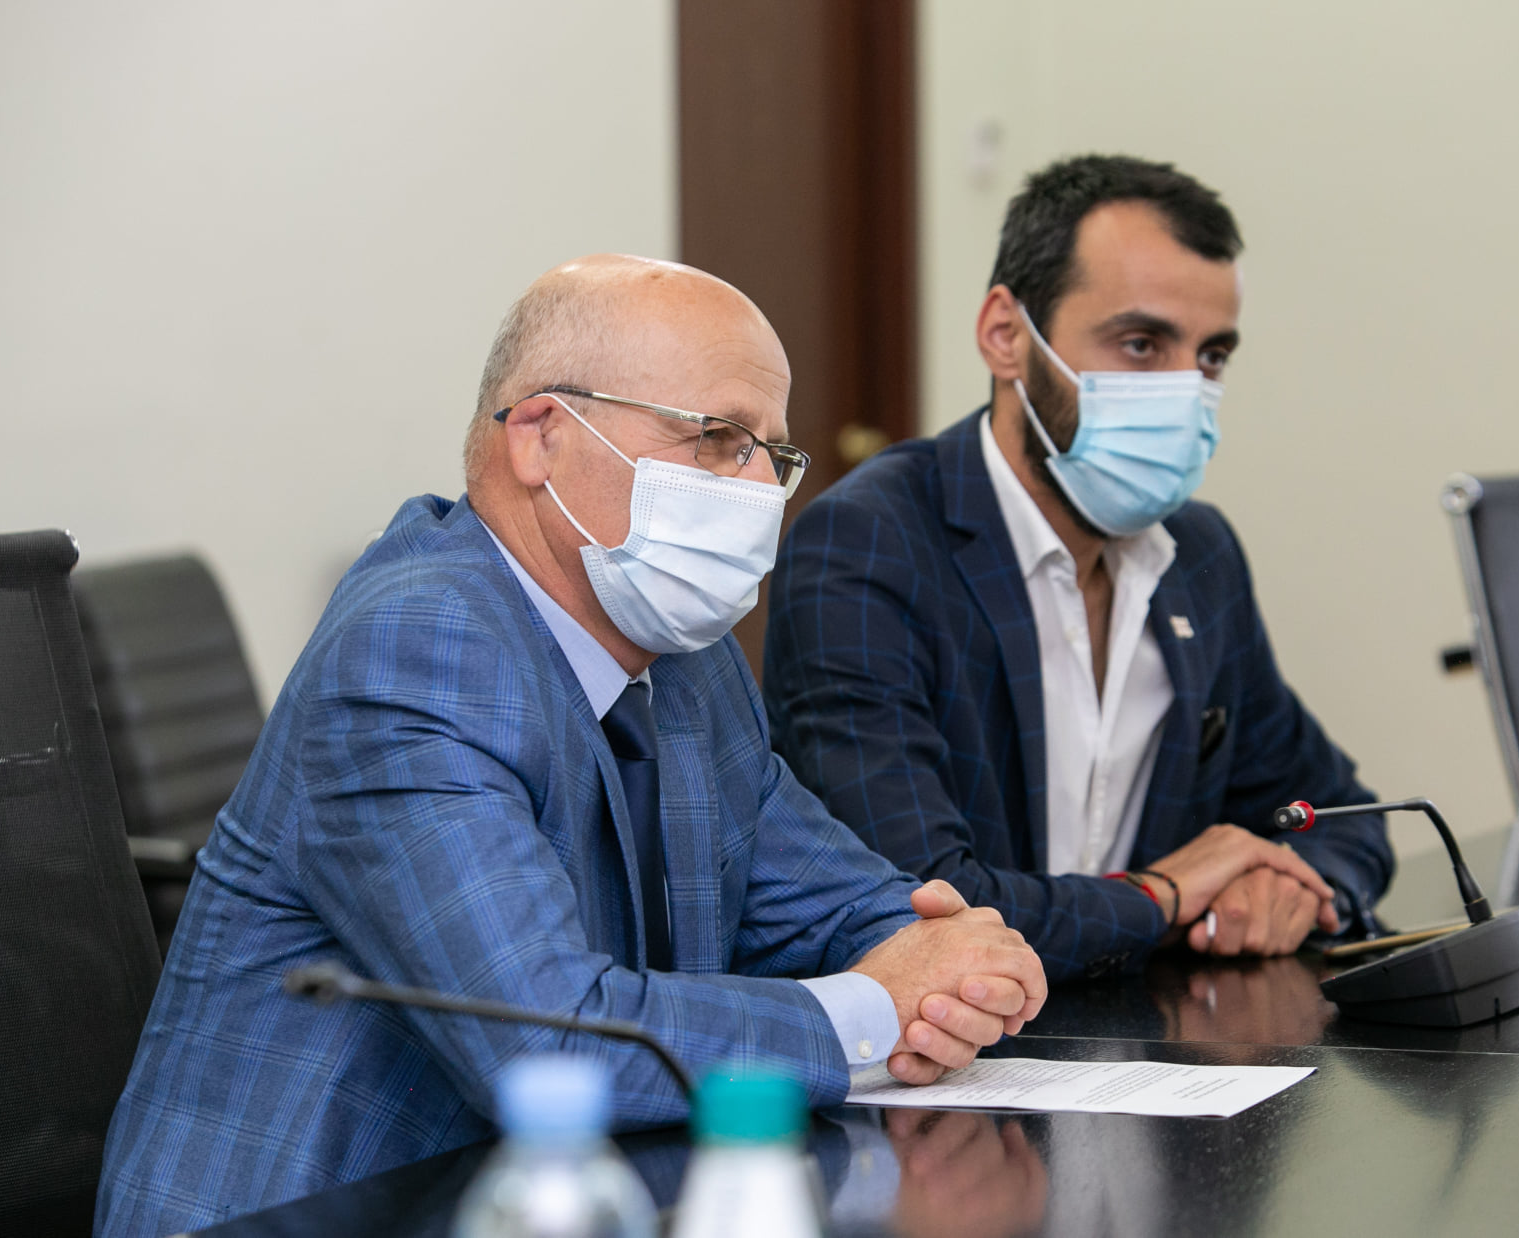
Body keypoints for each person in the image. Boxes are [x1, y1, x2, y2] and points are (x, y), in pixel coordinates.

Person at [94, 255, 1046, 1237]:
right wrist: (874, 1011)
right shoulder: (416, 648)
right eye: (719, 439)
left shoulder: (688, 661)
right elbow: (546, 1040)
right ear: (542, 436)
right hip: (314, 1214)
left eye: (773, 452)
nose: (763, 486)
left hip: (563, 1199)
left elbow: (832, 902)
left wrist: (950, 961)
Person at [762, 155, 1394, 982]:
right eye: (1141, 344)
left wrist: (1292, 889)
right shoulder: (869, 543)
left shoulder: (1200, 555)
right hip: (960, 1049)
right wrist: (1163, 896)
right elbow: (919, 901)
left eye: (1210, 356)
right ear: (1006, 335)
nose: (1184, 390)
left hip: (1159, 1040)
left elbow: (1340, 815)